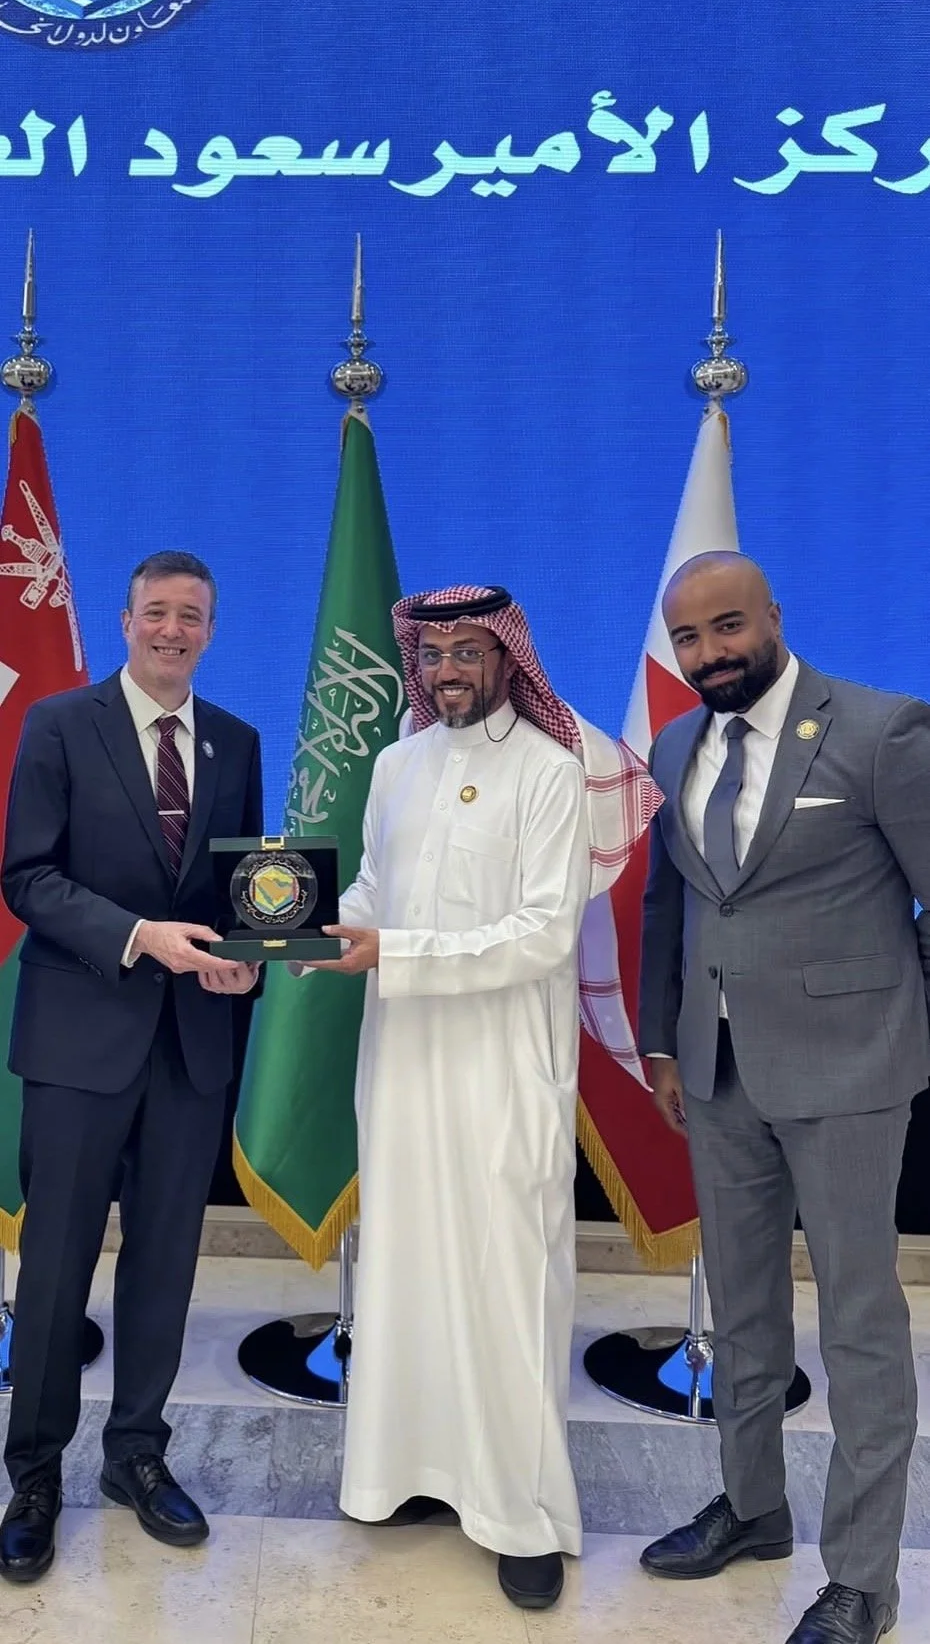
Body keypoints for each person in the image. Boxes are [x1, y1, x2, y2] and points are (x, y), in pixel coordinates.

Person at [296, 583, 660, 1610]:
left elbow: (543, 935)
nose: (451, 668)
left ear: (509, 660)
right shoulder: (395, 763)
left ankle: (518, 1513)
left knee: (505, 1282)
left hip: (504, 1067)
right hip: (403, 1058)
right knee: (406, 1271)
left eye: (470, 650)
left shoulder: (553, 774)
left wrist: (392, 947)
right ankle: (404, 1475)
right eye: (437, 652)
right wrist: (322, 929)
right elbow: (374, 886)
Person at [637, 550, 930, 1644]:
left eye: (727, 628)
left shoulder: (881, 729)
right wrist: (668, 1046)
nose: (710, 653)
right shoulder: (676, 743)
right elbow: (670, 907)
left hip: (851, 1073)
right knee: (743, 1314)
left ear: (772, 617)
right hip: (715, 1073)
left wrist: (911, 1036)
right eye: (689, 640)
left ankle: (862, 1580)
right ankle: (754, 1507)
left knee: (860, 1327)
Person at [0, 550, 262, 1585]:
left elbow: (250, 892)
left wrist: (247, 967)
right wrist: (140, 934)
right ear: (124, 620)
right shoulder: (59, 724)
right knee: (57, 1270)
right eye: (156, 612)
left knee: (165, 1267)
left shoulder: (236, 740)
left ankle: (137, 1458)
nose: (172, 629)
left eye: (191, 615)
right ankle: (31, 1477)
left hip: (190, 1051)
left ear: (210, 628)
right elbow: (27, 876)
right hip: (78, 1043)